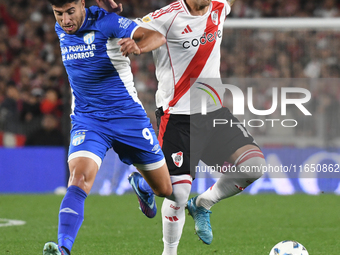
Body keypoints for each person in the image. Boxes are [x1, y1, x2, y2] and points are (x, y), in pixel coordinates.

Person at [103, 0, 265, 254]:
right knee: (177, 194)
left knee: (254, 167)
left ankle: (202, 204)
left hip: (214, 113)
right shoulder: (166, 17)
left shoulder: (219, 6)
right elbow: (132, 30)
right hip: (178, 118)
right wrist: (135, 40)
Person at [42, 0, 173, 254]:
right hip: (88, 119)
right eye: (59, 14)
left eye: (70, 12)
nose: (66, 21)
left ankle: (142, 186)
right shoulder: (63, 28)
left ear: (82, 5)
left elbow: (157, 36)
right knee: (78, 179)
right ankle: (63, 248)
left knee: (165, 189)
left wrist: (138, 45)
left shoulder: (107, 22)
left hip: (128, 118)